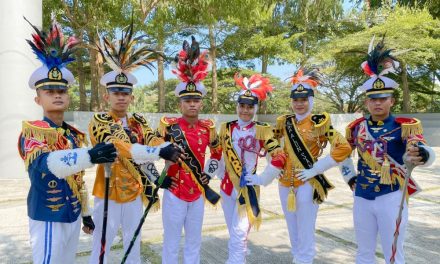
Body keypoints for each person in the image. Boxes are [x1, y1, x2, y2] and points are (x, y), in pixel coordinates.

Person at [18, 18, 117, 263]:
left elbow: (77, 179)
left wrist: (85, 213)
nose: (57, 96)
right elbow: (45, 164)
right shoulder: (33, 131)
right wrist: (89, 156)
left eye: (61, 91)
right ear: (38, 100)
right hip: (48, 216)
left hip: (72, 215)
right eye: (49, 92)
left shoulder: (73, 134)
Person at [88, 22, 183, 264]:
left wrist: (165, 145)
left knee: (133, 244)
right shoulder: (99, 120)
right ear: (107, 95)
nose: (121, 97)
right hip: (107, 192)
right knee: (102, 246)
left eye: (125, 93)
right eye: (116, 93)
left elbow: (153, 138)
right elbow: (118, 144)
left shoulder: (139, 120)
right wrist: (157, 151)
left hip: (133, 193)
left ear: (131, 96)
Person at [339, 36, 436, 264]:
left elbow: (422, 150)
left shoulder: (405, 126)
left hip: (391, 196)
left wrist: (422, 155)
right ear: (366, 102)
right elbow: (342, 156)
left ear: (391, 100)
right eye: (373, 99)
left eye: (383, 98)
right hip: (362, 196)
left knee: (393, 253)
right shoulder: (356, 128)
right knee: (363, 252)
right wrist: (350, 177)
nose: (377, 103)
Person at [273, 68, 352, 264]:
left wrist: (316, 169)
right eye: (296, 100)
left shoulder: (320, 123)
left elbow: (343, 147)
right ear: (291, 101)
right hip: (284, 183)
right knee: (292, 227)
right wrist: (274, 164)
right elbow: (270, 143)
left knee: (306, 227)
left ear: (311, 100)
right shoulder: (284, 122)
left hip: (308, 183)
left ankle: (305, 260)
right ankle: (296, 258)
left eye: (303, 99)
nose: (299, 104)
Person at [157, 36, 223, 264]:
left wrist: (210, 173)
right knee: (171, 242)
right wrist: (158, 179)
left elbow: (216, 154)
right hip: (174, 192)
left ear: (201, 102)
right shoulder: (169, 126)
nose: (192, 104)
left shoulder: (209, 128)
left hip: (197, 193)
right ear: (180, 103)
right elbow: (149, 151)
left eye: (196, 99)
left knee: (194, 242)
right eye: (188, 100)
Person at [217, 73, 286, 264]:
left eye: (249, 107)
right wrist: (220, 173)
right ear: (237, 107)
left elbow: (279, 155)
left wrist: (263, 178)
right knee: (233, 232)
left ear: (255, 109)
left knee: (239, 233)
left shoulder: (262, 129)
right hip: (226, 187)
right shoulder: (226, 128)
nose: (245, 110)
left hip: (247, 189)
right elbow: (218, 154)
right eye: (242, 106)